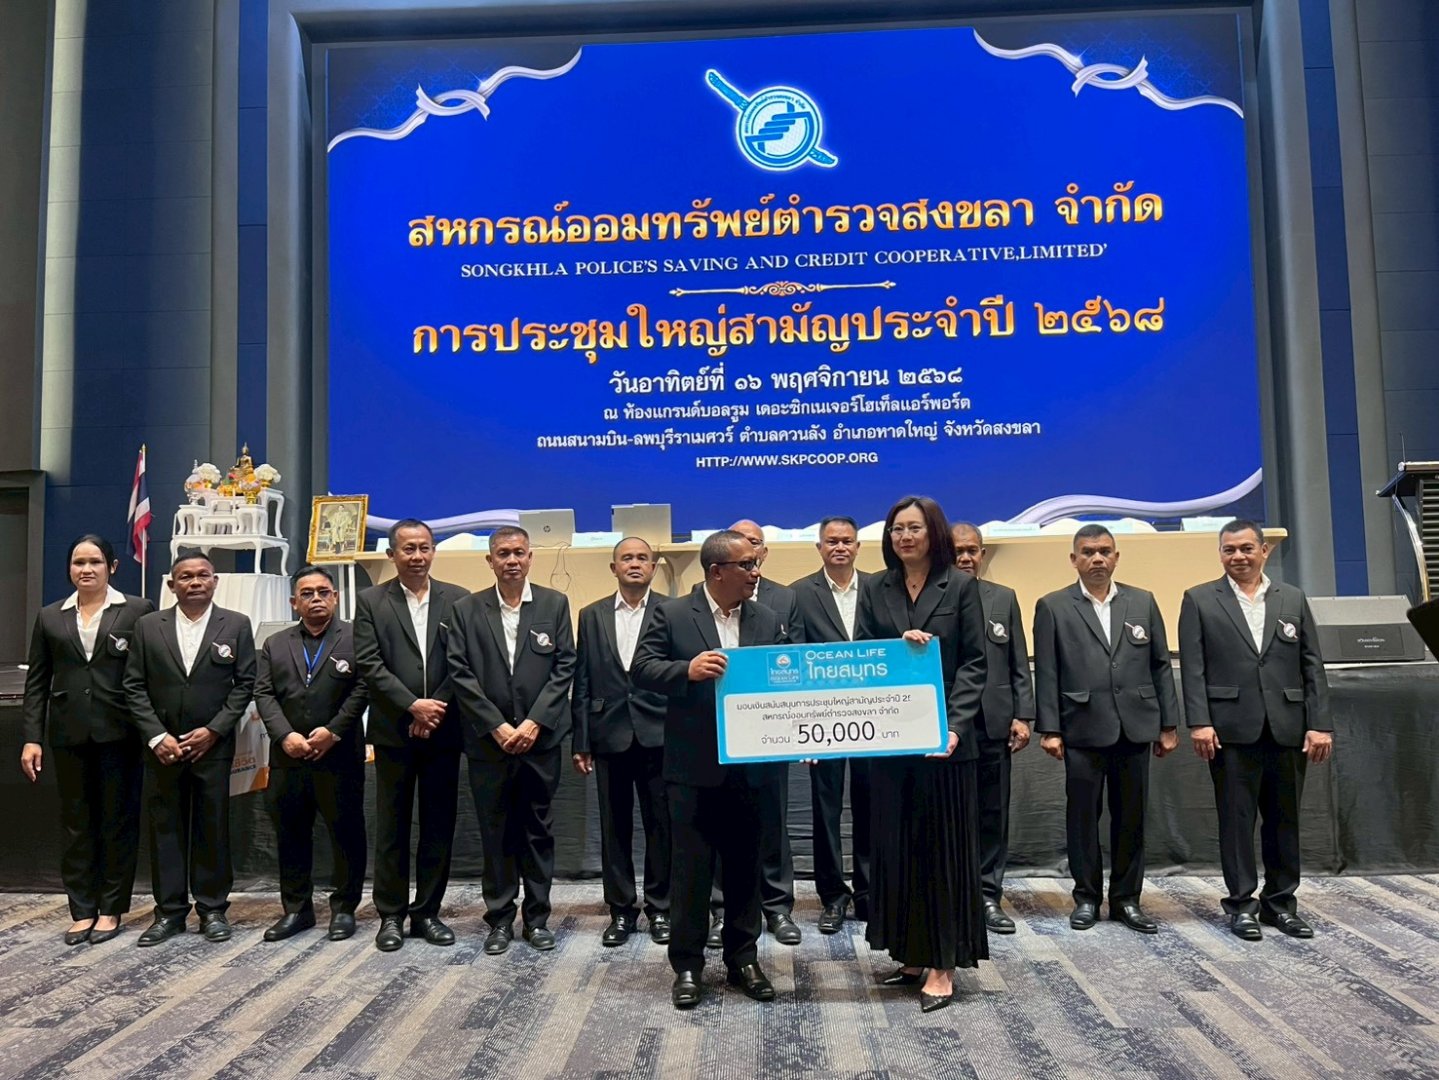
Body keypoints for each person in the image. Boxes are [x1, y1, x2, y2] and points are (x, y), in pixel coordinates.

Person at [631, 530, 790, 1009]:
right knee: (691, 872)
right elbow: (641, 667)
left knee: (745, 868)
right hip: (693, 768)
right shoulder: (674, 613)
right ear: (717, 571)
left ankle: (744, 958)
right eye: (747, 565)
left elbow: (786, 679)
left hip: (752, 769)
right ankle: (687, 965)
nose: (756, 573)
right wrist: (686, 670)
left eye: (756, 564)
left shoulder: (767, 618)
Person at [856, 496, 988, 1013]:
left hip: (946, 745)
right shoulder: (875, 586)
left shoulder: (960, 585)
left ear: (933, 533)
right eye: (896, 529)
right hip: (892, 741)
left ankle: (943, 964)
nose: (904, 536)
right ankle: (911, 953)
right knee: (899, 848)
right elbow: (863, 654)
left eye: (913, 528)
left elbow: (975, 663)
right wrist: (897, 647)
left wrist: (953, 728)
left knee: (942, 852)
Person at [1178, 519, 1333, 940]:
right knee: (1236, 821)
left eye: (1247, 548)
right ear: (1220, 554)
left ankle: (1280, 904)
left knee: (1285, 821)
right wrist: (1200, 722)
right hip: (1230, 730)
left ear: (1264, 551)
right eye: (1229, 549)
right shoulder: (1199, 599)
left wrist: (1319, 724)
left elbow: (1311, 665)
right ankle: (1241, 905)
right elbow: (1193, 668)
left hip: (1288, 727)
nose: (1238, 556)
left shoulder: (1292, 598)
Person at [1033, 524, 1180, 935]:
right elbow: (1047, 671)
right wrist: (1050, 729)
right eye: (1088, 552)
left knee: (1131, 817)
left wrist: (1168, 724)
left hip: (1136, 726)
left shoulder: (1143, 601)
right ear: (1074, 559)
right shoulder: (1053, 606)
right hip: (1081, 727)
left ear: (1116, 557)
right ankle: (1085, 898)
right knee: (1083, 817)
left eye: (1104, 551)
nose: (1096, 558)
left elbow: (1160, 666)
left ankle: (1126, 899)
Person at [447, 525, 576, 955]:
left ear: (530, 557)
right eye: (503, 553)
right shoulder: (466, 609)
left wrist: (535, 722)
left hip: (539, 742)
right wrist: (496, 726)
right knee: (496, 832)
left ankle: (537, 920)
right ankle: (500, 920)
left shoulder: (554, 604)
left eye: (519, 552)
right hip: (489, 744)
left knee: (538, 831)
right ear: (490, 561)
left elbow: (564, 666)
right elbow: (460, 672)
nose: (512, 560)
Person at [21, 534, 154, 945]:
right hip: (68, 735)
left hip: (121, 733)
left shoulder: (137, 610)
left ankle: (111, 908)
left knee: (117, 822)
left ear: (112, 567)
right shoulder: (50, 616)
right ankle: (82, 910)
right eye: (78, 562)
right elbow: (37, 682)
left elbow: (150, 674)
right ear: (69, 569)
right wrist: (32, 738)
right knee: (76, 824)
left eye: (95, 562)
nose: (86, 569)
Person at [123, 550, 256, 945]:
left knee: (212, 827)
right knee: (166, 828)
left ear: (215, 581)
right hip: (162, 747)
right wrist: (156, 735)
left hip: (212, 746)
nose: (195, 582)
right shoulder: (148, 626)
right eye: (186, 576)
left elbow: (246, 684)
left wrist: (214, 730)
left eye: (203, 575)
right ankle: (169, 912)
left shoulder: (236, 624)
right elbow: (133, 685)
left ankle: (213, 909)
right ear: (171, 584)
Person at [353, 518, 470, 952]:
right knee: (393, 825)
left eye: (424, 548)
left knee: (438, 824)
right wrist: (412, 706)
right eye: (408, 549)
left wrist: (434, 707)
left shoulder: (457, 599)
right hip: (394, 730)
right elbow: (369, 662)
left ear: (433, 551)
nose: (417, 556)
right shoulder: (370, 601)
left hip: (444, 729)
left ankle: (427, 913)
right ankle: (390, 915)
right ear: (392, 555)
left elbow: (463, 663)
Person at [253, 564, 369, 942]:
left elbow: (364, 688)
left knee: (346, 834)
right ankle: (296, 910)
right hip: (288, 756)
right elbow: (263, 692)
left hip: (339, 754)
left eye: (323, 592)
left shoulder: (357, 637)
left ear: (335, 597)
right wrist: (284, 735)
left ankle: (344, 908)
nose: (316, 599)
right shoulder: (275, 643)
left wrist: (333, 732)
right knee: (291, 835)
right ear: (294, 602)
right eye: (307, 593)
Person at [571, 537, 671, 946]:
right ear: (613, 568)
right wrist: (581, 740)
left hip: (659, 733)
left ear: (653, 566)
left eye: (642, 558)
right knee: (614, 828)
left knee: (661, 825)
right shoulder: (591, 615)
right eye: (626, 558)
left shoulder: (671, 611)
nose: (635, 564)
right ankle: (621, 911)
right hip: (607, 734)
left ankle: (661, 908)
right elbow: (582, 680)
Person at [717, 519, 801, 947]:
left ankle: (777, 906)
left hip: (770, 729)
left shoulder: (784, 599)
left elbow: (795, 660)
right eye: (740, 545)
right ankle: (722, 909)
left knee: (772, 818)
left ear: (763, 552)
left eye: (754, 545)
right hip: (718, 731)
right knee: (718, 822)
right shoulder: (698, 600)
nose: (749, 555)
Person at [790, 515, 872, 933]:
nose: (840, 547)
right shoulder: (799, 594)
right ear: (819, 547)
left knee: (872, 806)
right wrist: (803, 725)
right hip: (823, 717)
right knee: (826, 810)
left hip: (875, 714)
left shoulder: (879, 588)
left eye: (847, 541)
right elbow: (795, 660)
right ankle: (833, 897)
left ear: (858, 546)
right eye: (832, 541)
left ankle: (870, 893)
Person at [952, 522, 1034, 934]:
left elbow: (1018, 662)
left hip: (994, 723)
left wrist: (1023, 715)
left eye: (972, 550)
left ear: (982, 554)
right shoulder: (934, 598)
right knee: (951, 813)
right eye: (958, 551)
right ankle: (954, 894)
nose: (965, 558)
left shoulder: (1003, 598)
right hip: (950, 724)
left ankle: (988, 894)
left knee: (992, 812)